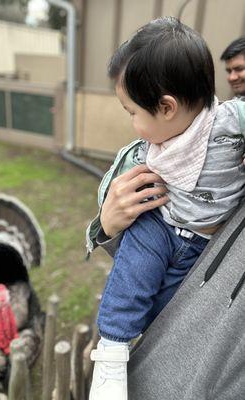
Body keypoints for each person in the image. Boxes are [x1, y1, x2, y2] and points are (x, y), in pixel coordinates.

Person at [87, 16, 245, 400]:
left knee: (160, 309)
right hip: (158, 224)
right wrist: (104, 224)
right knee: (129, 282)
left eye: (132, 112)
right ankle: (110, 353)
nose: (133, 124)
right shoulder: (150, 150)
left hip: (201, 249)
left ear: (166, 107)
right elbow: (117, 187)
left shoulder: (229, 124)